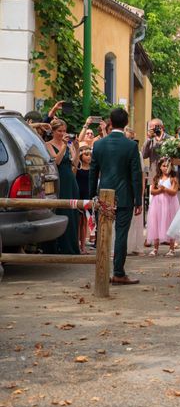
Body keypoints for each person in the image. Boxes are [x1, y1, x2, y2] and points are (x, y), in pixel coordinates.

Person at [89, 108, 143, 285]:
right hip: (125, 195)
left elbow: (93, 171)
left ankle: (102, 270)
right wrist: (138, 200)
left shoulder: (98, 145)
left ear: (110, 122)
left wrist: (92, 195)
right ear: (126, 123)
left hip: (104, 194)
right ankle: (119, 272)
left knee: (103, 232)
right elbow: (136, 174)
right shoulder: (131, 145)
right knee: (121, 235)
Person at [46, 119, 81, 255]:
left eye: (64, 131)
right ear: (53, 132)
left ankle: (71, 247)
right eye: (59, 131)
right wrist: (64, 147)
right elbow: (57, 161)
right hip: (58, 180)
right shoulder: (48, 144)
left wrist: (76, 149)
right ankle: (58, 246)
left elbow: (75, 164)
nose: (62, 133)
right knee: (60, 211)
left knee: (72, 214)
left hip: (70, 180)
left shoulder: (69, 144)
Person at [146, 157, 180, 257]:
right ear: (160, 167)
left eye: (167, 166)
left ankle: (171, 248)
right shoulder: (156, 178)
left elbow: (174, 192)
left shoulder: (173, 178)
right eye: (163, 166)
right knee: (156, 224)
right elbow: (152, 191)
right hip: (157, 205)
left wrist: (164, 189)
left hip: (169, 205)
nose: (165, 168)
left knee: (170, 224)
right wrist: (160, 191)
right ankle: (155, 248)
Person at [125, 126, 145, 255]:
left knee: (135, 218)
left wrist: (141, 189)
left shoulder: (138, 154)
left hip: (135, 186)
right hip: (124, 186)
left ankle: (134, 245)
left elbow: (141, 173)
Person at [76, 145, 92, 254]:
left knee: (85, 221)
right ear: (81, 156)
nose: (89, 157)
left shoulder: (93, 168)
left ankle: (83, 246)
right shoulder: (77, 168)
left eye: (90, 155)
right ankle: (76, 245)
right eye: (86, 155)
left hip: (88, 195)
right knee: (78, 221)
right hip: (78, 195)